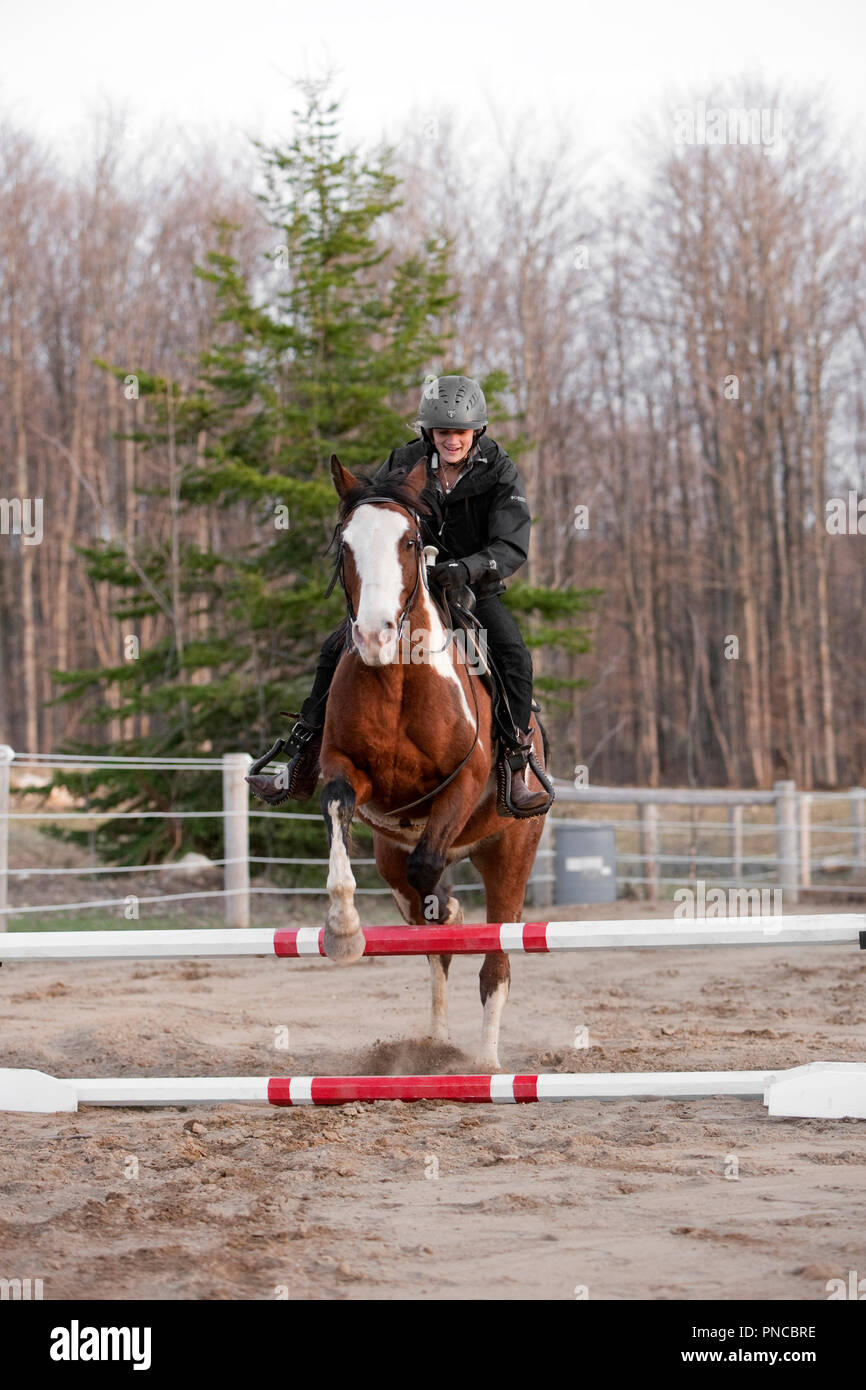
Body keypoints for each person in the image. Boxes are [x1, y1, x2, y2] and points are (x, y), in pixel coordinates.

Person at [269, 374, 550, 815]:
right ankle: (302, 753)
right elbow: (377, 516)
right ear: (428, 432)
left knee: (514, 654)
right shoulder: (404, 462)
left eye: (459, 432)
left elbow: (512, 545)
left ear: (476, 431)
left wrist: (466, 568)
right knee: (333, 649)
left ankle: (517, 763)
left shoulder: (500, 470)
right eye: (443, 432)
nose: (451, 440)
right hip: (408, 584)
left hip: (473, 587)